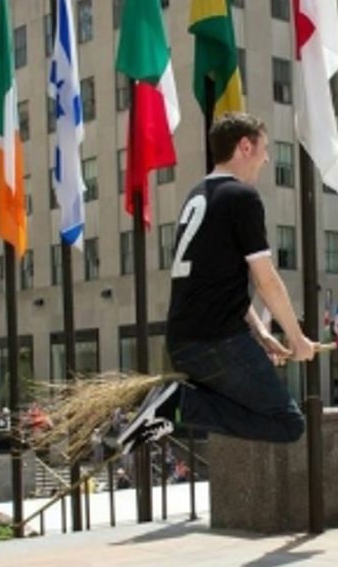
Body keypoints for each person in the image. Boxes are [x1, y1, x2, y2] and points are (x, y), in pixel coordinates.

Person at [110, 113, 316, 455]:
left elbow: (219, 278)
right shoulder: (242, 197)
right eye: (264, 150)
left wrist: (262, 335)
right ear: (245, 146)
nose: (266, 159)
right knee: (288, 423)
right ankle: (179, 406)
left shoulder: (198, 195)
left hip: (184, 341)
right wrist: (297, 338)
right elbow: (266, 279)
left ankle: (176, 405)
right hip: (217, 341)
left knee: (255, 411)